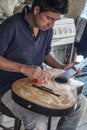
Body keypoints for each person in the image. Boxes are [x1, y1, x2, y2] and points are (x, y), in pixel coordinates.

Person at [0, 0, 86, 130]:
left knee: (80, 102)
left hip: (37, 84)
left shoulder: (46, 29)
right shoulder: (11, 25)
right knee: (38, 120)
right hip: (7, 87)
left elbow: (45, 54)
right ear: (36, 10)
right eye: (49, 18)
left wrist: (62, 67)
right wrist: (23, 68)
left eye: (55, 20)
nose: (52, 25)